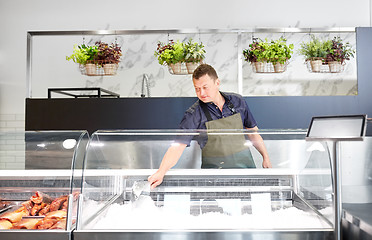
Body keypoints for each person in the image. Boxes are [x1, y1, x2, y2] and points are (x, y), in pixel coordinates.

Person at [148, 64, 272, 189]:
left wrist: (265, 157)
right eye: (197, 88)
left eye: (205, 87)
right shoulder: (193, 114)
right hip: (214, 178)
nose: (201, 93)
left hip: (245, 172)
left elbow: (252, 132)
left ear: (217, 83)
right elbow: (177, 147)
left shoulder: (237, 101)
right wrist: (161, 172)